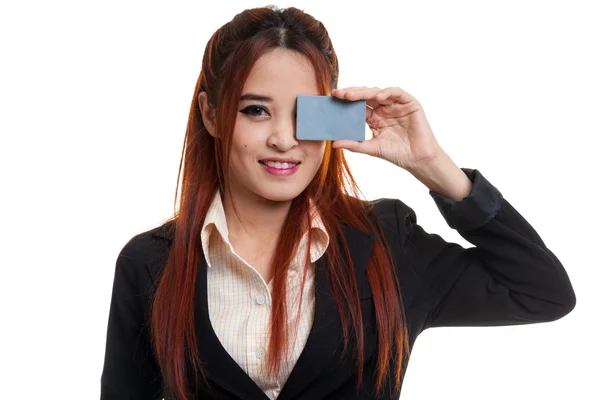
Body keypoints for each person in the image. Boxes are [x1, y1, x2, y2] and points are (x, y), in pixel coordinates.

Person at [100, 5, 576, 400]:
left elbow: (542, 292)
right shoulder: (150, 263)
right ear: (211, 114)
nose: (284, 139)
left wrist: (432, 165)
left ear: (333, 117)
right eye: (255, 110)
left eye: (306, 111)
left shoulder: (387, 243)